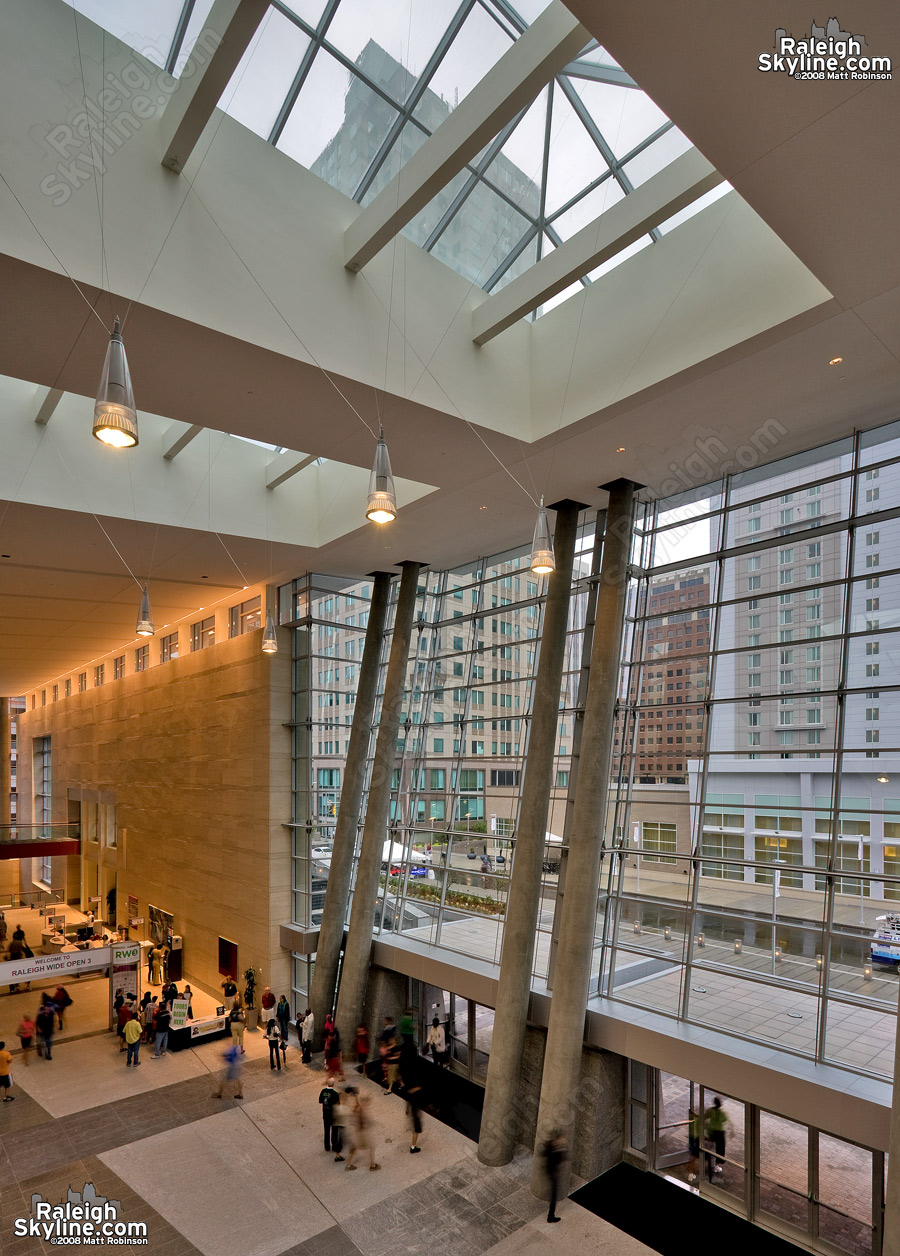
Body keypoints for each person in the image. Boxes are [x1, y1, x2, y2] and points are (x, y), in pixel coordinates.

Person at [344, 1089, 379, 1172]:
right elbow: (363, 1121)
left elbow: (353, 1119)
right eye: (367, 1103)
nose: (367, 1105)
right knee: (371, 1146)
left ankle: (348, 1164)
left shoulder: (357, 1109)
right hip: (362, 1133)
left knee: (354, 1148)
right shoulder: (361, 1110)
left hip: (357, 1132)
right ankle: (372, 1165)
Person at [541, 1130, 567, 1223]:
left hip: (550, 1171)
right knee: (554, 1195)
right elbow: (559, 1159)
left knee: (553, 1194)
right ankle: (550, 1216)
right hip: (552, 1173)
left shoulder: (550, 1144)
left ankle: (551, 1215)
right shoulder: (555, 1148)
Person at [704, 1096, 731, 1179]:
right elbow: (726, 1121)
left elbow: (705, 1118)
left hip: (712, 1132)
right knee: (720, 1149)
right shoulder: (723, 1112)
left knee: (712, 1148)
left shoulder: (710, 1110)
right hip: (720, 1133)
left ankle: (711, 1163)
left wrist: (707, 1127)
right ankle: (715, 1165)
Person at [318, 1076, 342, 1156]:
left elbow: (320, 1101)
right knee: (334, 1132)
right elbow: (338, 1104)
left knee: (327, 1130)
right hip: (333, 1115)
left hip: (325, 1115)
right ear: (333, 1084)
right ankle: (334, 1146)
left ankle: (327, 1146)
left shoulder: (323, 1091)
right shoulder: (335, 1094)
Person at [687, 1108, 702, 1182]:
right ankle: (690, 1173)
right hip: (696, 1139)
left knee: (693, 1155)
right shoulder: (699, 1120)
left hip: (692, 1138)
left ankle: (691, 1172)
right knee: (693, 1156)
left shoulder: (692, 1118)